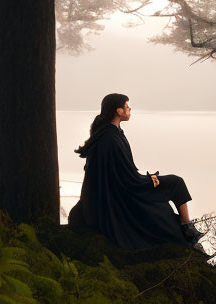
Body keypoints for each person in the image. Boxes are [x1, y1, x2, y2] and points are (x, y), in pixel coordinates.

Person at [70, 93, 205, 251]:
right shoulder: (110, 139)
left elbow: (122, 170)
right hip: (121, 194)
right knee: (176, 182)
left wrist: (147, 178)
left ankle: (186, 227)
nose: (130, 109)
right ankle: (187, 228)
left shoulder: (113, 133)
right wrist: (148, 181)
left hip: (125, 186)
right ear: (118, 111)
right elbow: (123, 177)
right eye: (127, 106)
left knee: (174, 182)